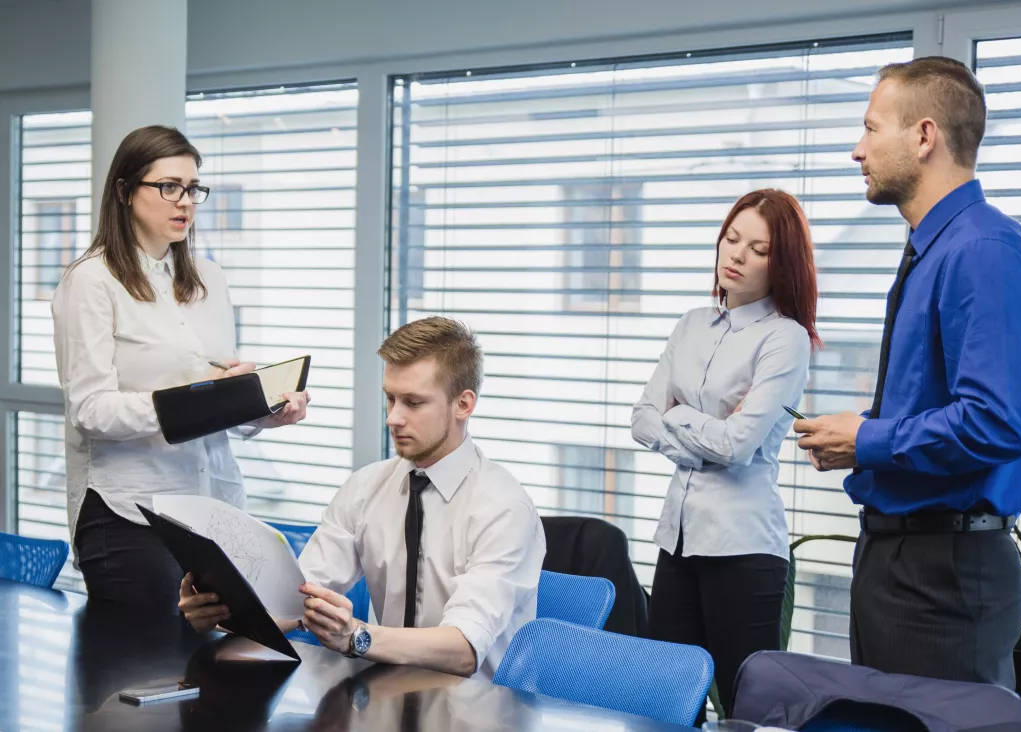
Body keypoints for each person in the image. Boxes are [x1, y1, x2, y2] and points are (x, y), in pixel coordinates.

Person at [792, 57, 1021, 689]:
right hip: (903, 562)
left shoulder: (984, 252)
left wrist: (868, 440)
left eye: (870, 128)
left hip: (945, 577)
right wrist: (866, 435)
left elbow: (999, 422)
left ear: (924, 136)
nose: (857, 150)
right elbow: (939, 403)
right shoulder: (936, 248)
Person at [180, 316, 546, 681]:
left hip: (477, 710)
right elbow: (298, 600)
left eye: (414, 402)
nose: (394, 418)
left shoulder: (503, 508)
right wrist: (225, 617)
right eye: (391, 398)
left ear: (463, 404)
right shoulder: (367, 487)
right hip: (386, 698)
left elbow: (465, 649)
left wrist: (357, 636)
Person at [52, 125, 309, 613]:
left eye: (193, 189)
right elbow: (90, 409)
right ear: (125, 192)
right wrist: (198, 399)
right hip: (130, 512)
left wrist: (260, 409)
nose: (185, 202)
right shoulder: (90, 281)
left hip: (213, 504)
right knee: (137, 674)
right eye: (169, 187)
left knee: (214, 667)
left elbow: (215, 389)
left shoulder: (208, 277)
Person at [631, 189, 821, 720]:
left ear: (781, 262)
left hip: (743, 549)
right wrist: (703, 430)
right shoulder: (692, 323)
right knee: (666, 705)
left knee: (747, 712)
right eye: (731, 239)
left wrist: (679, 415)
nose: (735, 255)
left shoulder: (786, 339)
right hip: (679, 539)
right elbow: (640, 417)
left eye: (757, 249)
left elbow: (738, 447)